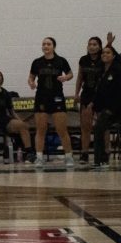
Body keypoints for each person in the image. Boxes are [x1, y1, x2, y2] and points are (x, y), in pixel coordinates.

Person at [28, 37, 75, 168]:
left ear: (53, 46)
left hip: (57, 97)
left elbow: (71, 74)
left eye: (48, 44)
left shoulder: (61, 61)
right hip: (41, 98)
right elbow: (31, 77)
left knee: (61, 129)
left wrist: (65, 77)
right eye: (43, 44)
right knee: (41, 129)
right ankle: (39, 158)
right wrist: (31, 83)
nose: (45, 46)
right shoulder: (37, 62)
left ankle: (69, 157)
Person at [74, 34, 114, 164]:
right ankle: (84, 153)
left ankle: (106, 152)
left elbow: (111, 55)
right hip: (87, 94)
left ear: (100, 47)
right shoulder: (83, 60)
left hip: (102, 95)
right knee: (85, 126)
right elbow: (80, 77)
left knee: (103, 126)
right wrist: (76, 94)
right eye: (90, 44)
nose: (92, 47)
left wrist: (109, 44)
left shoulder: (104, 59)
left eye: (95, 44)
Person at [0, 70, 32, 164]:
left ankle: (29, 154)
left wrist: (20, 120)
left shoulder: (6, 94)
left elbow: (11, 111)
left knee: (22, 125)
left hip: (3, 119)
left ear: (2, 79)